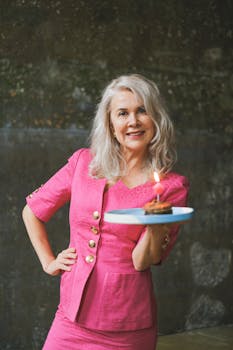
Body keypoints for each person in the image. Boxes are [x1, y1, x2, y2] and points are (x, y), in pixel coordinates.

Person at [22, 74, 189, 350]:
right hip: (70, 319)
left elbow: (141, 261)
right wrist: (48, 261)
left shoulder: (170, 187)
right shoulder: (83, 162)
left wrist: (157, 223)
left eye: (142, 111)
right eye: (122, 113)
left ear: (155, 119)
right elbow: (32, 211)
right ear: (111, 124)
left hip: (126, 326)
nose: (133, 121)